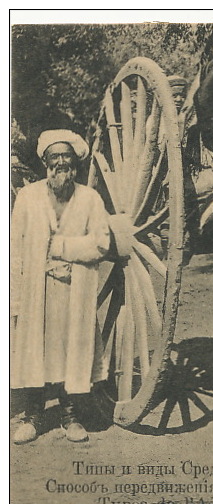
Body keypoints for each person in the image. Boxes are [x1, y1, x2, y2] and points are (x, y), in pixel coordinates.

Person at [10, 130, 111, 444]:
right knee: (33, 351)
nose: (61, 164)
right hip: (35, 293)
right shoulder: (28, 198)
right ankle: (33, 416)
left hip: (72, 291)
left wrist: (63, 246)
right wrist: (13, 300)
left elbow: (102, 243)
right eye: (55, 158)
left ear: (75, 163)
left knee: (71, 352)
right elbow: (14, 249)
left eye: (67, 158)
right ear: (45, 163)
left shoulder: (90, 199)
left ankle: (70, 417)